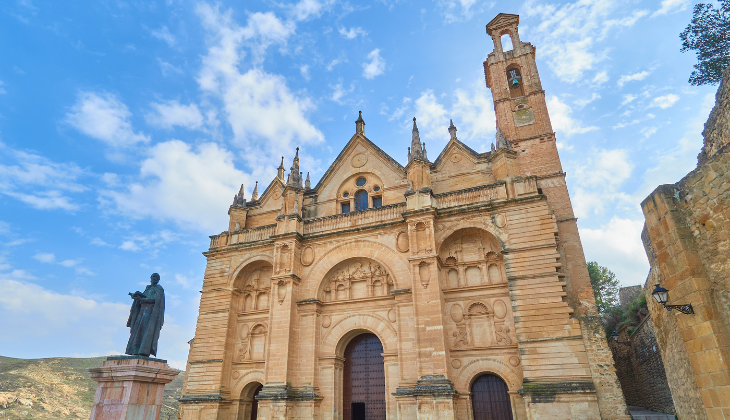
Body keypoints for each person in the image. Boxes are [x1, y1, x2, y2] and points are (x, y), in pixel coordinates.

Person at [125, 273, 165, 357]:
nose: (154, 278)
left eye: (156, 277)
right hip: (142, 310)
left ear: (158, 279)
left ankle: (144, 350)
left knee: (145, 330)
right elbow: (146, 296)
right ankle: (135, 349)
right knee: (137, 330)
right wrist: (137, 296)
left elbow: (155, 300)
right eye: (153, 277)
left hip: (150, 311)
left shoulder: (159, 289)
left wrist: (142, 299)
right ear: (150, 278)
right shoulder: (148, 288)